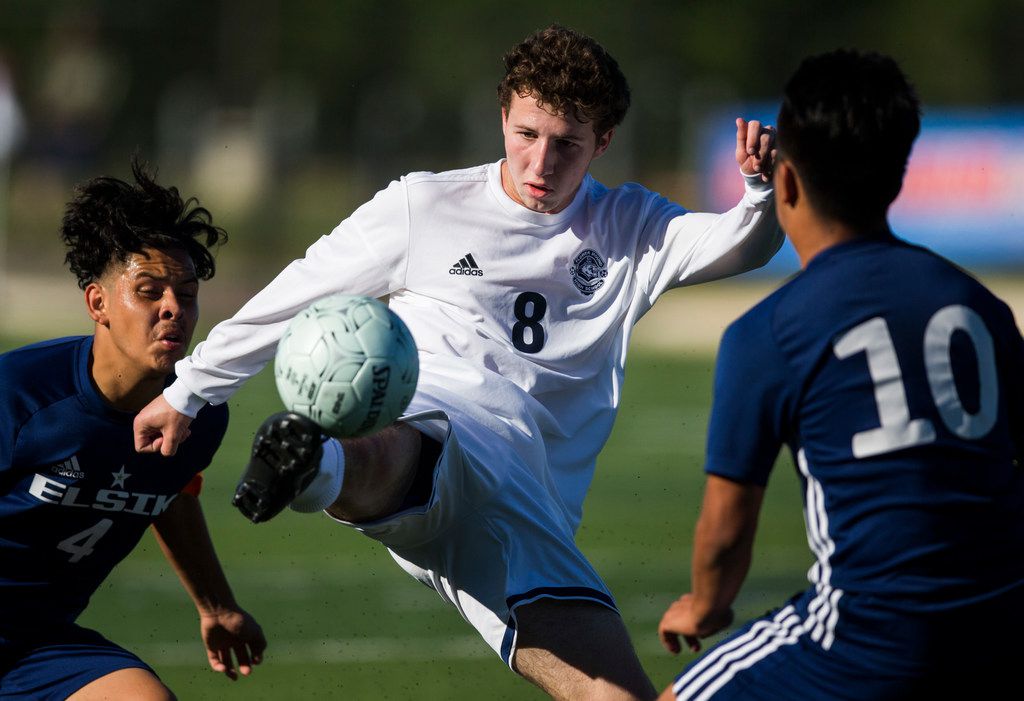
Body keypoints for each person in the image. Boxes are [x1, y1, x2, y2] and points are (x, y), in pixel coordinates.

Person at [134, 25, 782, 700]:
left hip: (533, 516)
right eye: (527, 133)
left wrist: (761, 193)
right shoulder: (425, 206)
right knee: (416, 440)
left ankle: (322, 467)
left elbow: (743, 246)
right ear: (502, 116)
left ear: (604, 142)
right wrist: (190, 389)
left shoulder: (633, 227)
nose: (541, 162)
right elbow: (298, 288)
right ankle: (313, 463)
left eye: (566, 144)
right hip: (442, 430)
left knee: (616, 695)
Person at [657, 49, 1024, 700]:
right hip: (1002, 624)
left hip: (869, 638)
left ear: (788, 185)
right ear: (900, 173)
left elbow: (725, 528)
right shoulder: (980, 306)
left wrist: (705, 604)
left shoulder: (765, 333)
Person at [0, 159, 266, 700]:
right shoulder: (21, 394)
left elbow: (168, 491)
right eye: (149, 291)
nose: (173, 308)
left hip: (40, 648)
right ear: (98, 303)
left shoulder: (201, 414)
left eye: (186, 294)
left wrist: (215, 604)